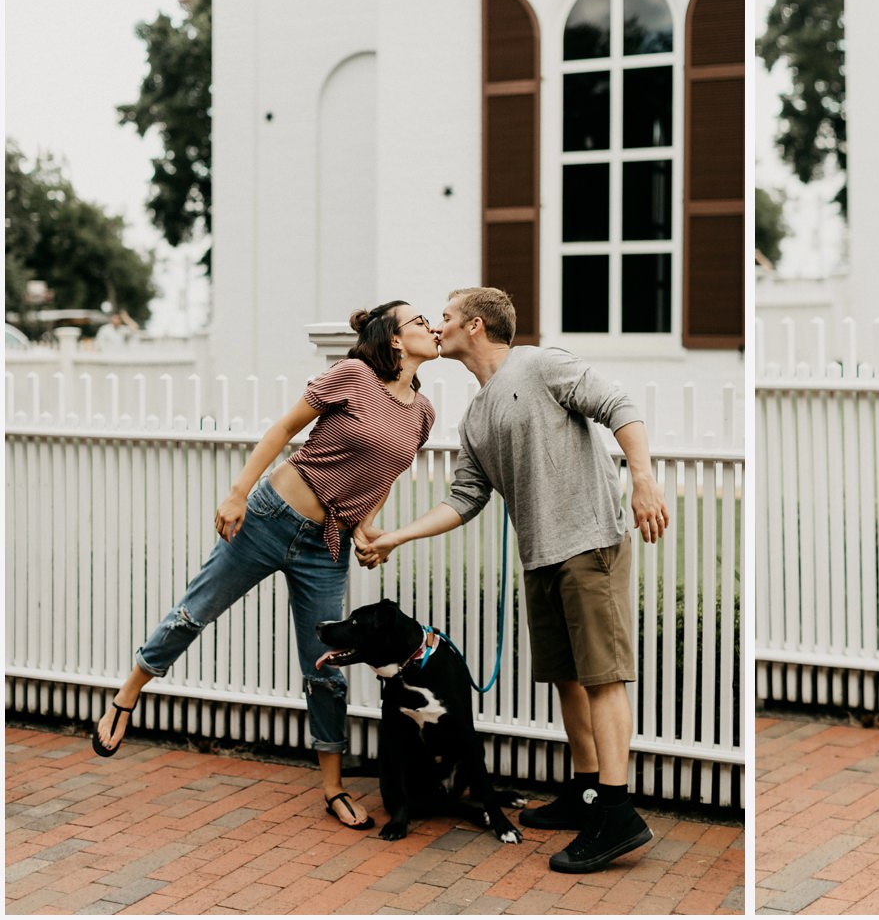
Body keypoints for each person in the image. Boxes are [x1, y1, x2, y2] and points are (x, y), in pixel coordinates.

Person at [358, 282, 670, 875]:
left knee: (602, 678)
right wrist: (395, 536)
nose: (438, 324)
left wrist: (645, 481)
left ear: (475, 326)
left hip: (589, 543)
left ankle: (617, 812)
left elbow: (620, 406)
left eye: (446, 317)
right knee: (567, 679)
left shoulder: (540, 364)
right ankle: (585, 793)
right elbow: (464, 498)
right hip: (541, 556)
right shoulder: (476, 416)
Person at [90, 304, 440, 833]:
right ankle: (131, 689)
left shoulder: (423, 413)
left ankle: (332, 786)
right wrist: (237, 493)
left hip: (327, 546)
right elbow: (283, 429)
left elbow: (380, 476)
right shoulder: (353, 375)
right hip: (270, 517)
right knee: (194, 613)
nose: (431, 327)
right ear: (393, 339)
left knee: (325, 667)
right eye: (418, 321)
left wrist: (368, 530)